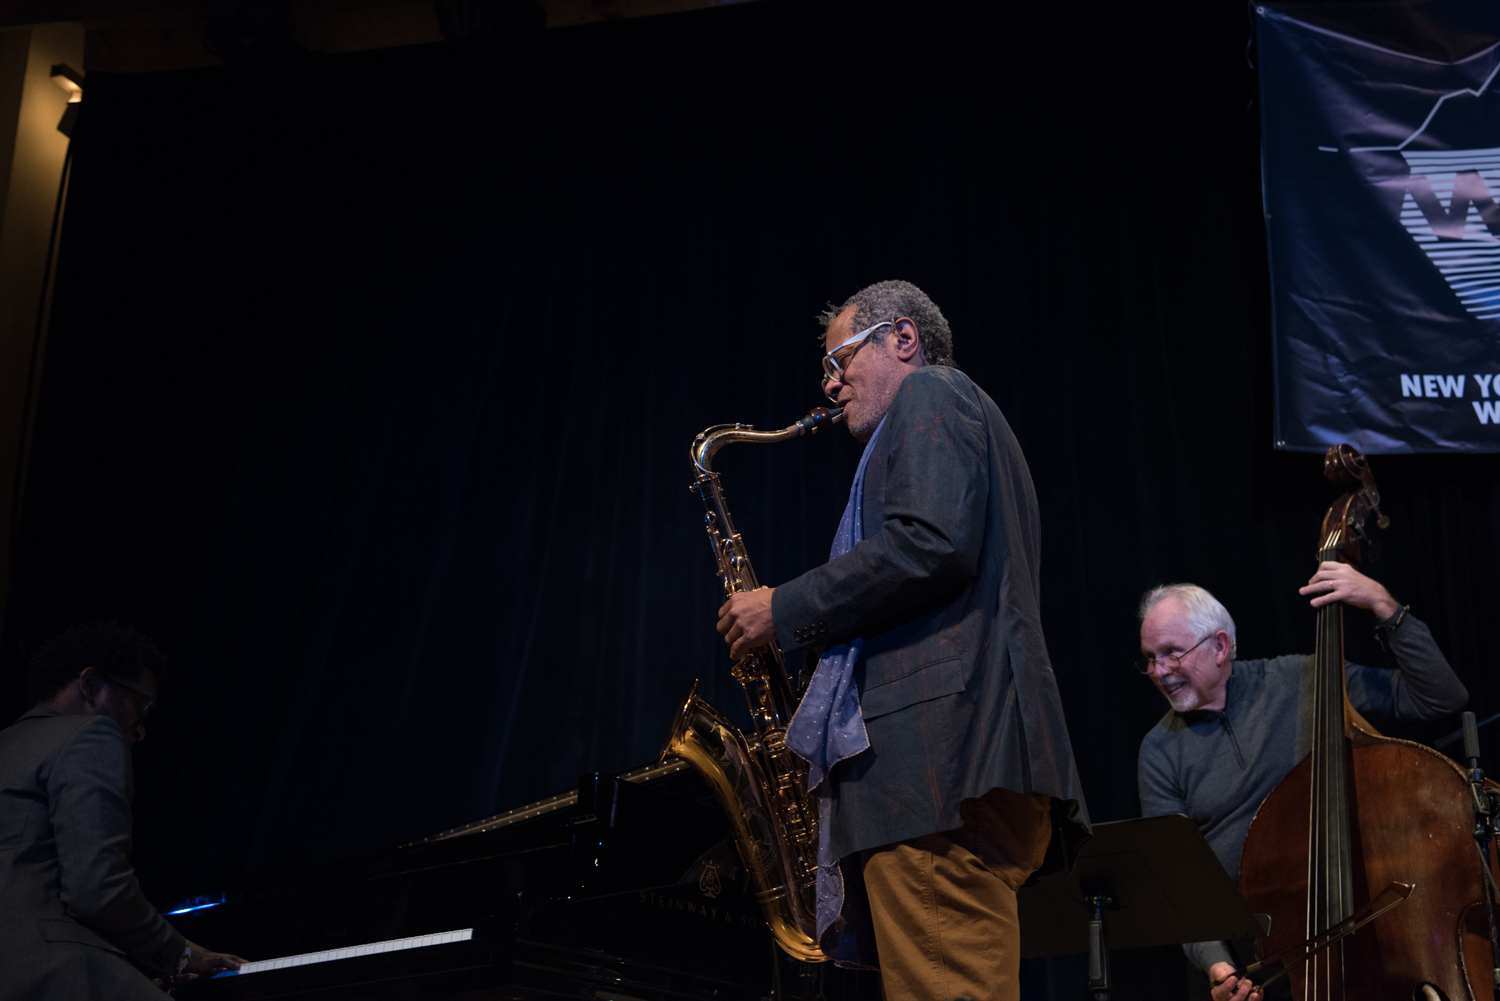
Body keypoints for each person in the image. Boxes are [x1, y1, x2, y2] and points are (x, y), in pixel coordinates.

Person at [716, 280, 1090, 1001]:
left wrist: (781, 607)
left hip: (937, 770)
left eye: (839, 361)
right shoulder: (972, 419)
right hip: (961, 765)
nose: (830, 386)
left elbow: (929, 544)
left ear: (903, 339)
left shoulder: (934, 395)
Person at [1135, 567, 1468, 1001]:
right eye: (1149, 658)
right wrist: (1218, 967)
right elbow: (1178, 880)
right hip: (1260, 959)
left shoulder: (1305, 679)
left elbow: (1440, 696)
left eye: (1171, 653)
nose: (1158, 671)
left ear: (1219, 646)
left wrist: (1385, 607)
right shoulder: (1159, 750)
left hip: (1367, 918)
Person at [0, 621, 247, 1000]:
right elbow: (96, 890)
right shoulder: (90, 734)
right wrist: (181, 954)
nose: (142, 729)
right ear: (90, 684)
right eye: (141, 705)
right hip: (55, 978)